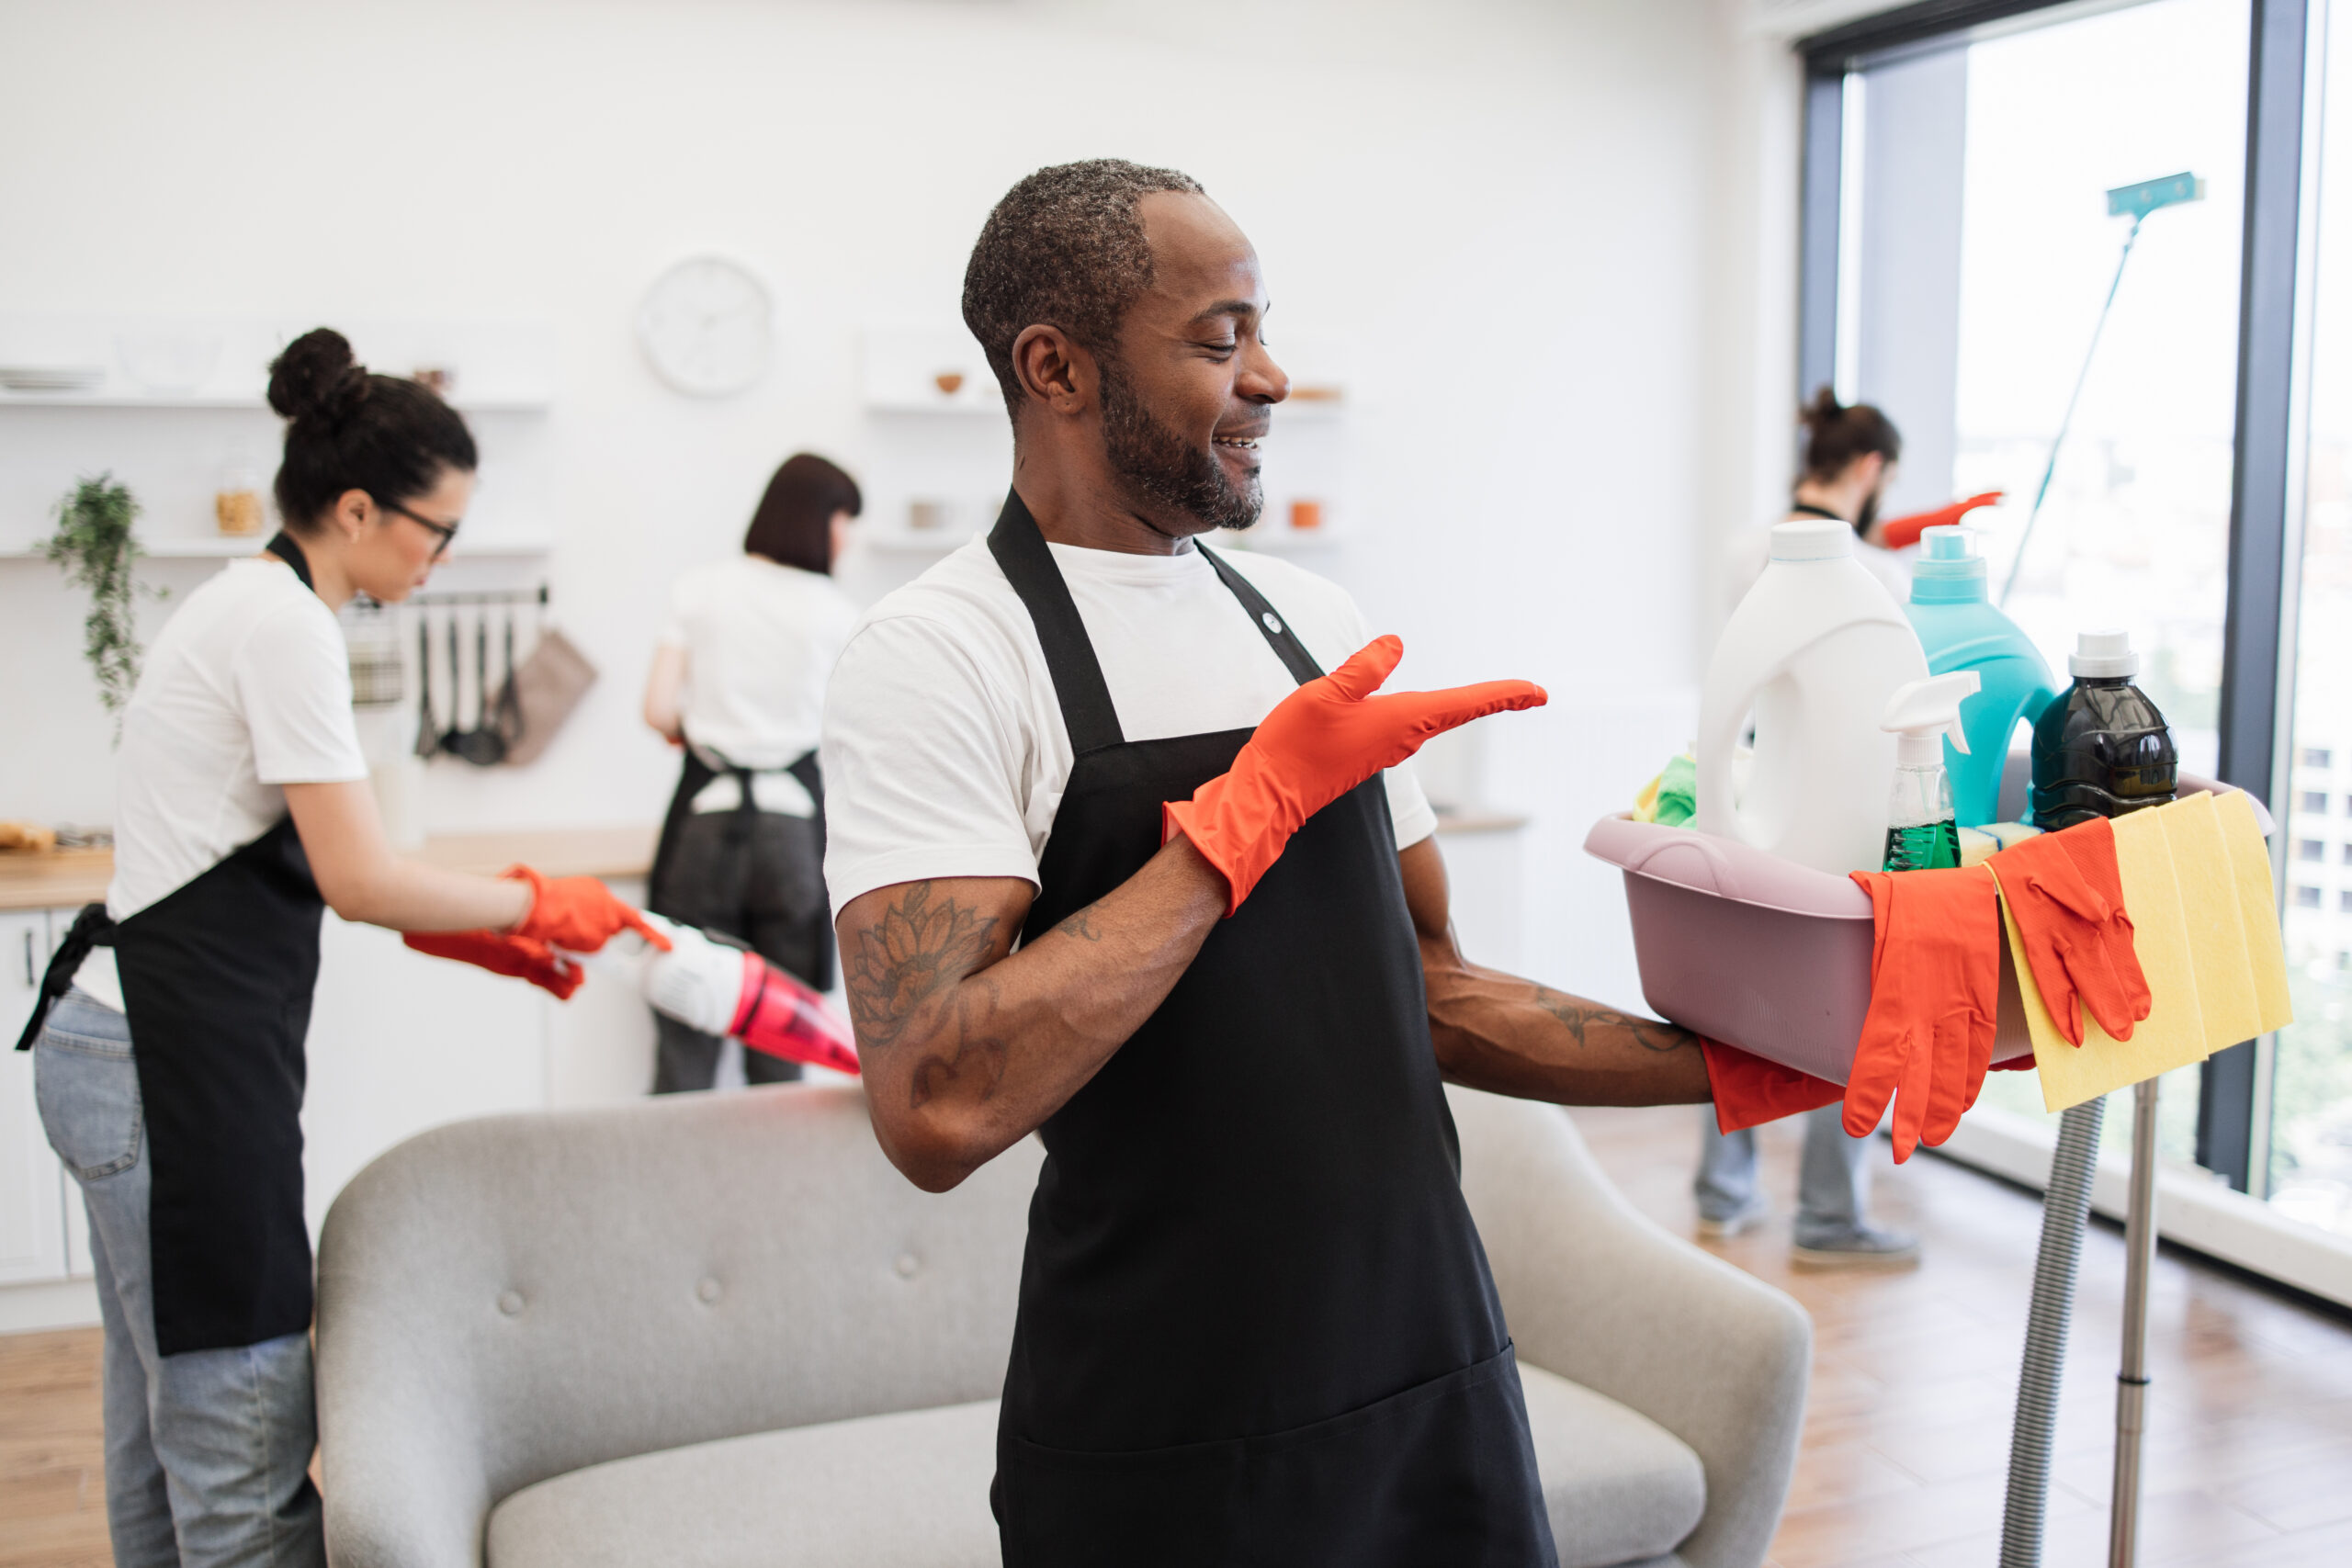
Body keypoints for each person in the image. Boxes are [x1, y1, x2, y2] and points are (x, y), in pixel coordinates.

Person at [820, 160, 1729, 1565]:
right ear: (1054, 367)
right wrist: (1229, 835)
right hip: (1162, 1428)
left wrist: (1749, 1061)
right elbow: (935, 1101)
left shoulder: (1310, 617)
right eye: (1219, 337)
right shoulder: (942, 656)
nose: (1272, 376)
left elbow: (1428, 993)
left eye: (1263, 331)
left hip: (1434, 1366)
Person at [17, 328, 658, 1567]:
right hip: (168, 1065)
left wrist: (498, 930)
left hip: (122, 1041)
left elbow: (315, 864)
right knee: (241, 1428)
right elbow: (359, 876)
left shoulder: (245, 599)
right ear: (358, 507)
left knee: (160, 1415)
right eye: (435, 530)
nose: (441, 556)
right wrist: (537, 901)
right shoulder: (288, 628)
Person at [1697, 389, 1995, 1269]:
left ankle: (1723, 1191)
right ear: (1871, 470)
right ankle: (1829, 1214)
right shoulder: (1882, 578)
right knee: (1848, 1008)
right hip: (1845, 810)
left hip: (1747, 793)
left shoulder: (1746, 550)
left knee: (1734, 999)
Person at [639, 454, 862, 1093]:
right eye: (844, 519)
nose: (846, 538)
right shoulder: (837, 613)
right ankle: (773, 1191)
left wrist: (698, 728)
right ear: (816, 520)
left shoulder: (700, 588)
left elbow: (656, 708)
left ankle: (671, 1186)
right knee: (781, 1031)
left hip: (703, 826)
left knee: (686, 1025)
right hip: (792, 834)